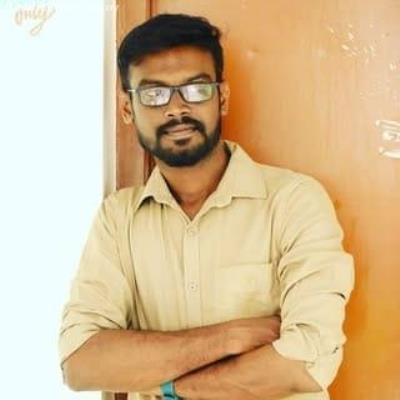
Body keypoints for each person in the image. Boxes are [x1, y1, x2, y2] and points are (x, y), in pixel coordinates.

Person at [58, 13, 354, 400]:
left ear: (222, 98)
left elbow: (306, 363)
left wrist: (168, 387)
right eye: (154, 94)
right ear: (127, 108)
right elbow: (81, 363)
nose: (176, 109)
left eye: (196, 90)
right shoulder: (118, 220)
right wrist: (228, 338)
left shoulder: (294, 202)